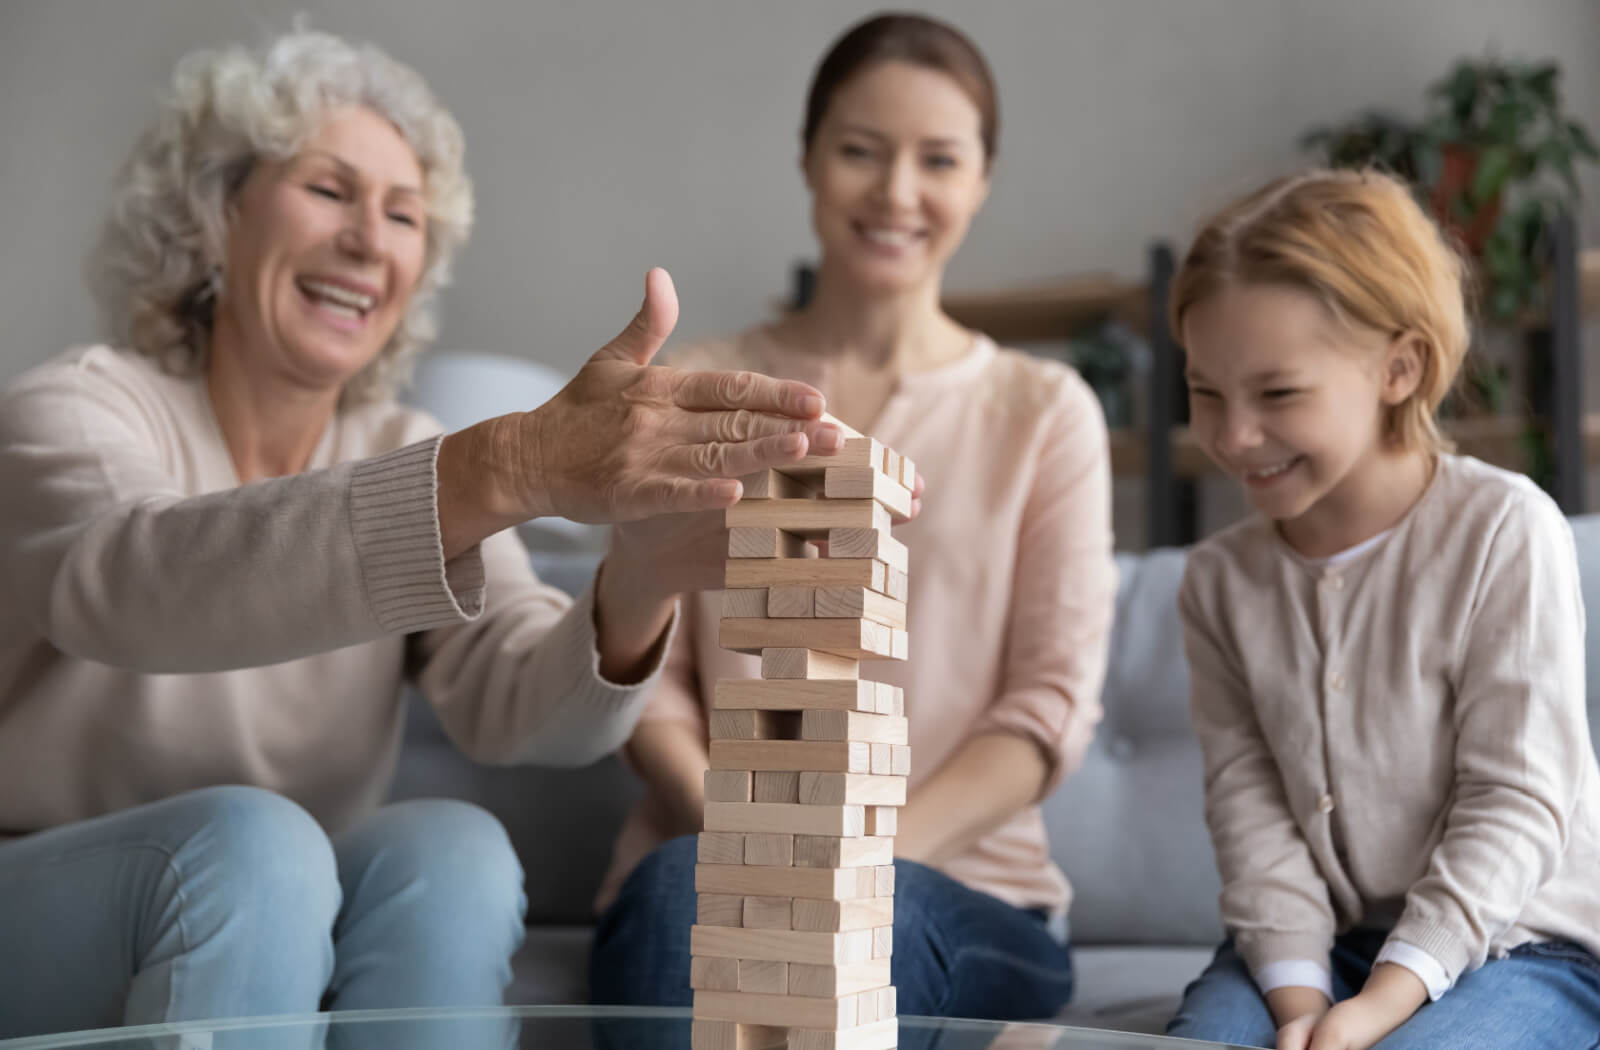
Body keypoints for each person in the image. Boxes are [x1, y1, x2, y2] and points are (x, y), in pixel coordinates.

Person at [0, 27, 852, 1040]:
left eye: (403, 214)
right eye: (328, 190)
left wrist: (641, 580)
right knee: (254, 842)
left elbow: (522, 709)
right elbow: (139, 585)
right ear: (216, 216)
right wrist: (511, 465)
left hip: (279, 893)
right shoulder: (74, 411)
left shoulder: (404, 446)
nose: (370, 238)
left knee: (454, 848)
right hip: (48, 900)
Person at [587, 13, 1116, 1020]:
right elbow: (645, 677)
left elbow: (1045, 711)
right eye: (860, 152)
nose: (897, 193)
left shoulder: (1045, 413)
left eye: (939, 160)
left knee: (866, 939)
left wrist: (855, 870)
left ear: (982, 181)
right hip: (698, 864)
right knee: (679, 904)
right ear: (808, 159)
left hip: (963, 892)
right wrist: (754, 853)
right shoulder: (697, 386)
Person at [1163, 169, 1600, 1049]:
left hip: (1525, 942)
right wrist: (1300, 1005)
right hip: (1320, 947)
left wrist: (1380, 1007)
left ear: (1399, 367)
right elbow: (1249, 810)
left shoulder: (1504, 530)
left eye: (1278, 394)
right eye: (1206, 392)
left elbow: (1515, 800)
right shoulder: (1217, 583)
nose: (1233, 434)